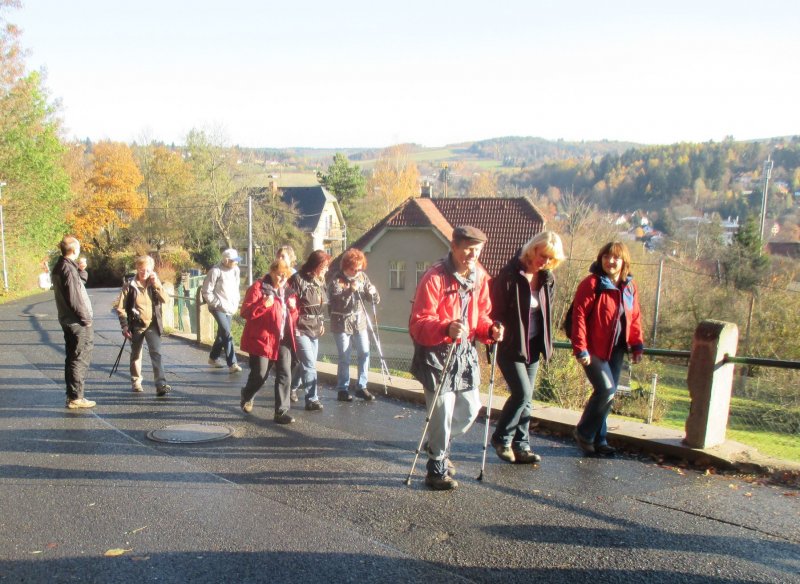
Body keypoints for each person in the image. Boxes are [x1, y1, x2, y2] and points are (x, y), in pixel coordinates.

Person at [409, 226, 504, 490]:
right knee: (441, 413)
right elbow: (418, 323)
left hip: (464, 354)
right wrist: (444, 328)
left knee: (471, 409)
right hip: (436, 354)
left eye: (477, 250)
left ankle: (435, 443)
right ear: (454, 246)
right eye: (468, 249)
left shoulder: (480, 278)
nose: (472, 255)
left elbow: (482, 316)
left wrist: (490, 330)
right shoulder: (435, 277)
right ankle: (436, 467)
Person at [490, 231, 565, 464]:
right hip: (510, 344)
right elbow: (495, 310)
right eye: (543, 256)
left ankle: (521, 445)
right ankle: (502, 438)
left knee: (528, 397)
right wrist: (496, 327)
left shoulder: (547, 279)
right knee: (521, 393)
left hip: (533, 345)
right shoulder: (510, 275)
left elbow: (545, 314)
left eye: (551, 259)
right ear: (532, 250)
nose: (545, 262)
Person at [571, 241, 644, 457]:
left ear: (624, 262)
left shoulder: (629, 287)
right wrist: (580, 348)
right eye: (606, 256)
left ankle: (599, 439)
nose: (610, 261)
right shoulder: (592, 283)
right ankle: (584, 432)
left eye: (615, 258)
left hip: (617, 348)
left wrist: (637, 345)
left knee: (608, 394)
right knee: (606, 389)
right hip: (594, 348)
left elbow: (635, 316)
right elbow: (579, 317)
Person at [239, 258, 298, 424]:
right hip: (263, 339)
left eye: (285, 276)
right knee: (260, 374)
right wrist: (263, 304)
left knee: (285, 373)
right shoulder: (259, 287)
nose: (282, 279)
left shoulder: (287, 291)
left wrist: (293, 309)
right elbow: (245, 312)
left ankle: (281, 412)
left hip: (282, 339)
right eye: (279, 275)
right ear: (271, 272)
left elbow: (291, 319)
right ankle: (247, 394)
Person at [328, 248, 380, 402]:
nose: (356, 271)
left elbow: (374, 300)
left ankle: (361, 386)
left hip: (359, 322)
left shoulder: (362, 277)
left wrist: (373, 292)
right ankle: (342, 389)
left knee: (364, 352)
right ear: (346, 266)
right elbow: (337, 303)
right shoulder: (336, 280)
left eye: (359, 268)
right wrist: (350, 290)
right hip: (341, 323)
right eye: (353, 269)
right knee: (345, 356)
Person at [114, 255, 171, 396]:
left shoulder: (154, 283)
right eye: (140, 269)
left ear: (151, 269)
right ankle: (136, 381)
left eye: (146, 270)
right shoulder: (129, 285)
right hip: (136, 325)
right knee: (136, 354)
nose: (143, 272)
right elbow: (120, 308)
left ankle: (160, 384)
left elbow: (166, 300)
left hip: (152, 324)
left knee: (156, 353)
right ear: (137, 269)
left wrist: (156, 283)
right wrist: (125, 326)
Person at [51, 235, 95, 409]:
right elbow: (74, 297)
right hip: (76, 321)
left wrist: (82, 270)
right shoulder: (67, 269)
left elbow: (78, 284)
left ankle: (72, 395)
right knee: (79, 358)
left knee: (72, 357)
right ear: (74, 250)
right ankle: (76, 397)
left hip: (67, 319)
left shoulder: (62, 266)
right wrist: (86, 319)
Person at [288, 250, 331, 412]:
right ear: (315, 265)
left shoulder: (320, 281)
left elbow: (321, 306)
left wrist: (321, 322)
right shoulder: (298, 280)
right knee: (310, 364)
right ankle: (312, 399)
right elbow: (289, 302)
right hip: (300, 327)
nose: (326, 270)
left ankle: (291, 387)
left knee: (304, 362)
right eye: (324, 266)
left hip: (315, 326)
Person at [202, 248, 242, 373]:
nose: (236, 263)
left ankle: (213, 358)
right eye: (233, 261)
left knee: (221, 334)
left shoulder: (236, 270)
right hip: (217, 307)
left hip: (229, 307)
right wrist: (216, 303)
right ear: (226, 260)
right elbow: (206, 291)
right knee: (226, 332)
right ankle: (232, 363)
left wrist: (235, 302)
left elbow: (236, 288)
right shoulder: (215, 271)